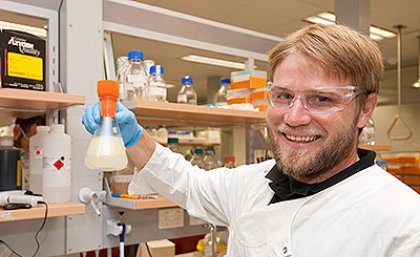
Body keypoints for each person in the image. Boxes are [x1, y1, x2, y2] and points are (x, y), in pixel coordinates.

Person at [83, 24, 420, 256]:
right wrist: (133, 136)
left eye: (322, 99)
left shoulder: (405, 221)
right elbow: (188, 183)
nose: (294, 117)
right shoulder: (251, 182)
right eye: (284, 95)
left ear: (365, 109)